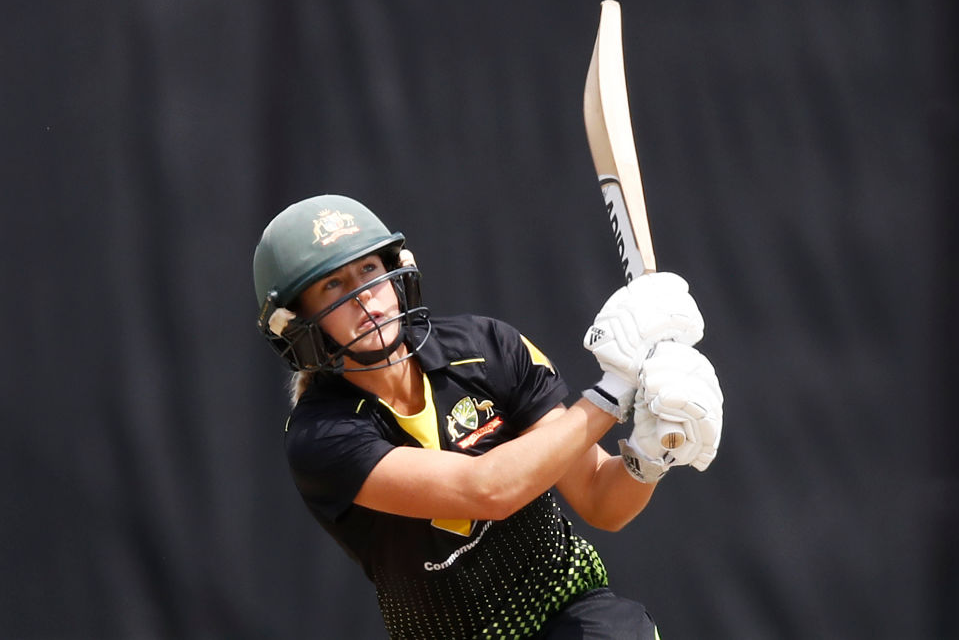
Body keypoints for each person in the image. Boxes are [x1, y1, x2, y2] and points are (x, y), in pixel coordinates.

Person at [252, 194, 724, 639]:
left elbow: (601, 500)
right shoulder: (321, 436)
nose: (364, 298)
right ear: (296, 323)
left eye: (369, 269)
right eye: (333, 285)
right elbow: (486, 490)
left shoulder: (486, 348)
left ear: (396, 271)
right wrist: (614, 391)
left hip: (568, 609)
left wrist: (649, 456)